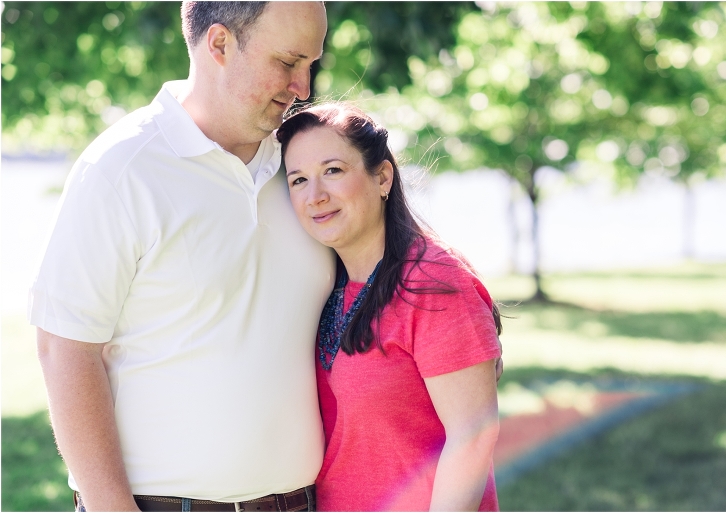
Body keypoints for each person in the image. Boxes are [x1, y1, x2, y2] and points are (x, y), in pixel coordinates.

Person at [29, 2, 334, 511]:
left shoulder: (307, 168)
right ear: (220, 44)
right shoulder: (120, 168)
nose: (303, 87)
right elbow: (65, 350)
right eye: (287, 62)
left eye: (311, 64)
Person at [276, 103, 503, 512]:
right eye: (298, 180)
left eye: (333, 170)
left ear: (382, 177)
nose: (315, 196)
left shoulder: (433, 283)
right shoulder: (324, 284)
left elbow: (472, 437)